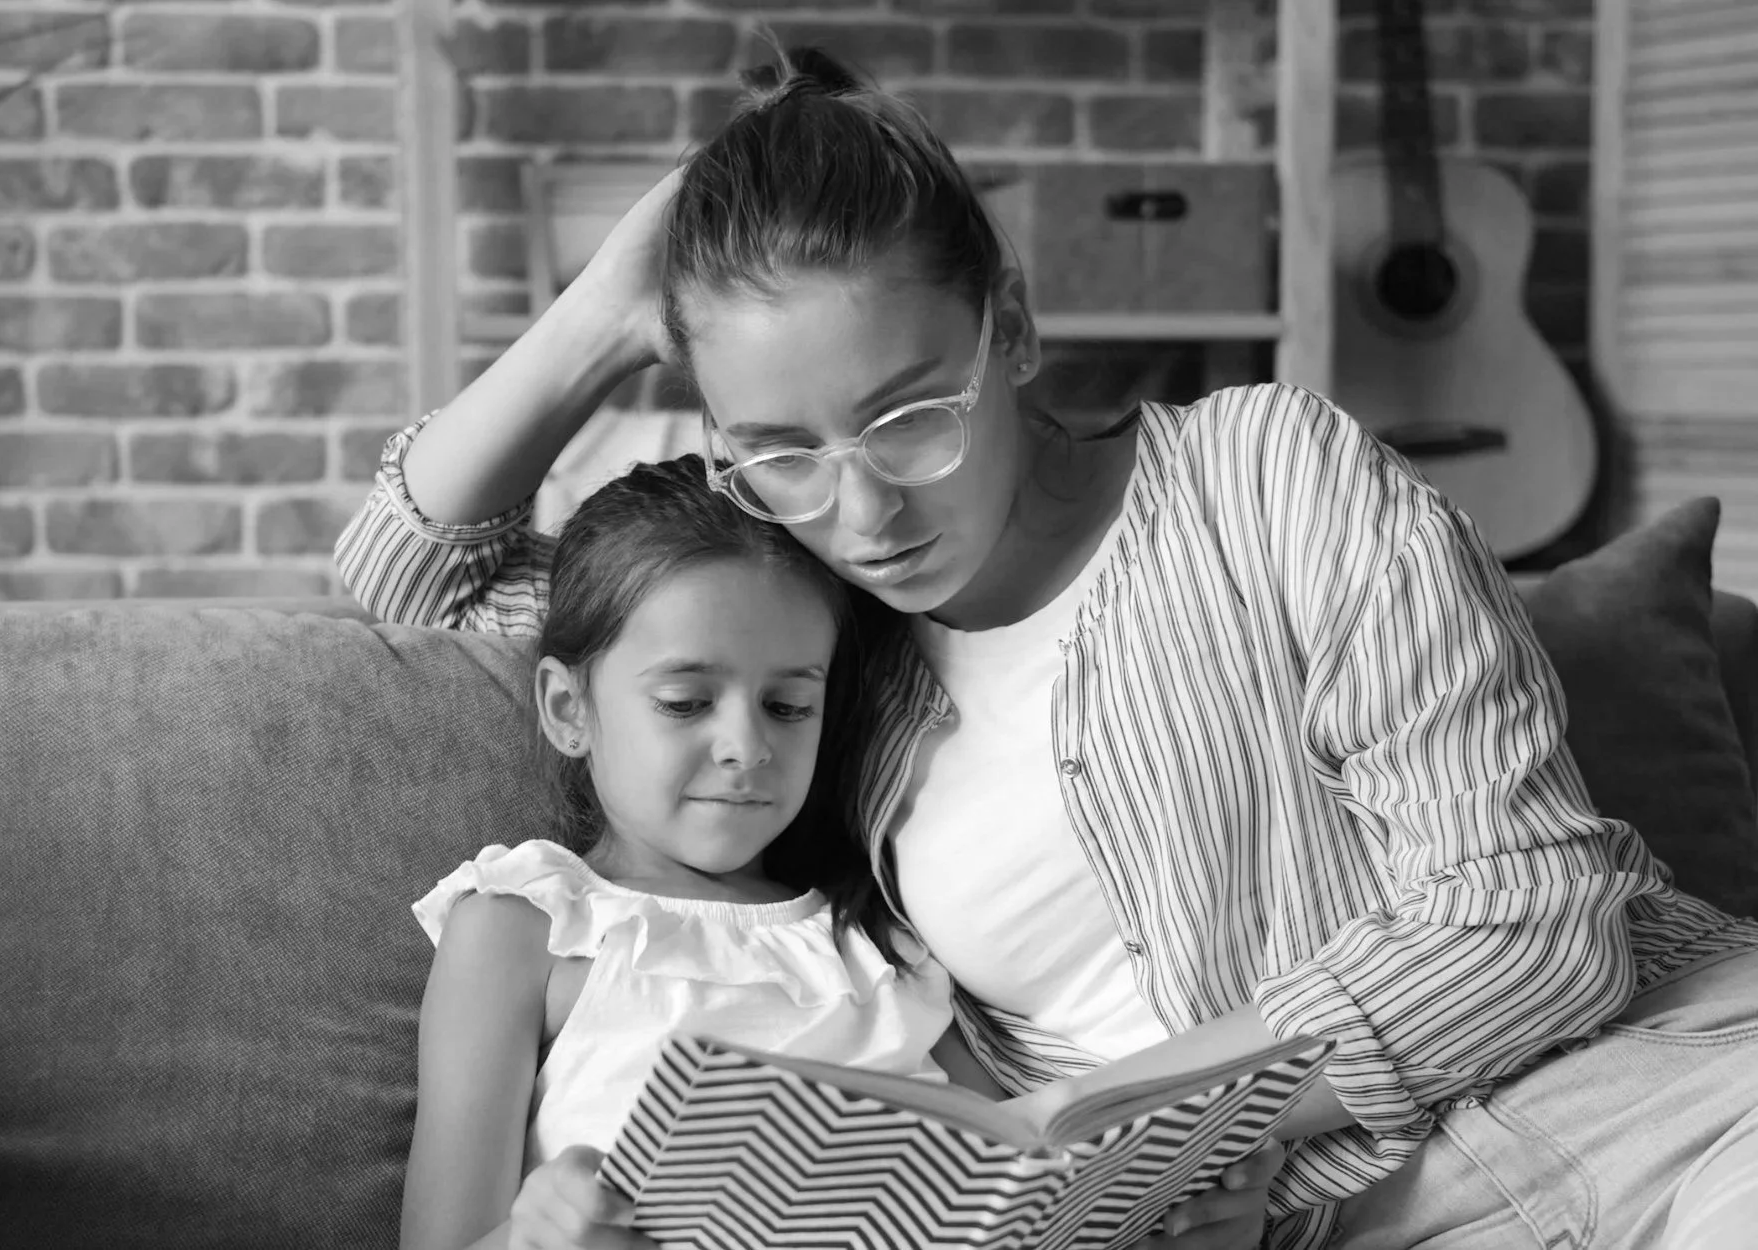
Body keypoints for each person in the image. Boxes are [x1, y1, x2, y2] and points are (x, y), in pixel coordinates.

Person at [346, 43, 1758, 1250]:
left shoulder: (1263, 475)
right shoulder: (815, 642)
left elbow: (1533, 913)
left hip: (1649, 1096)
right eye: (777, 448)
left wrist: (1124, 1126)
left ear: (1007, 328)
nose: (861, 510)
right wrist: (601, 318)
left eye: (908, 417)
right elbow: (407, 576)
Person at [399, 457, 1282, 1250]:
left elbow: (1011, 1193)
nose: (746, 746)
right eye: (683, 702)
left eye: (787, 708)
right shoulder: (526, 927)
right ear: (566, 709)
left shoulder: (878, 950)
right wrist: (530, 1237)